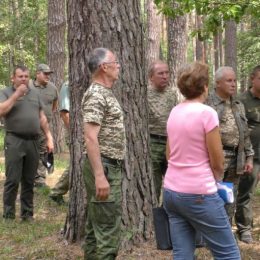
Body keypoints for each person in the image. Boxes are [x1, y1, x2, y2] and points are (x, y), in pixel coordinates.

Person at [163, 62, 240, 260]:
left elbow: (169, 154)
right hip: (199, 193)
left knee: (182, 254)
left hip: (172, 192)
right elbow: (218, 161)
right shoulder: (207, 114)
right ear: (205, 87)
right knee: (228, 253)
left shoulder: (174, 112)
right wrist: (216, 181)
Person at [81, 48, 126, 259]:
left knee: (95, 225)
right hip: (104, 167)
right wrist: (100, 175)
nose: (118, 66)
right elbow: (90, 137)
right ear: (104, 67)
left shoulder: (104, 92)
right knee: (107, 228)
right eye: (115, 62)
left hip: (108, 165)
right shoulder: (97, 94)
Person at [0, 65, 54, 221]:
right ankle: (8, 214)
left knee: (29, 179)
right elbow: (1, 111)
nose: (24, 79)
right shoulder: (5, 92)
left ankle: (27, 214)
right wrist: (16, 95)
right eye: (20, 76)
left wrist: (49, 136)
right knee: (12, 179)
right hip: (14, 140)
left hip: (33, 141)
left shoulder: (35, 94)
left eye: (26, 76)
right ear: (13, 78)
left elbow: (42, 117)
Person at [207, 66, 254, 223]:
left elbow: (245, 133)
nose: (233, 84)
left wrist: (249, 157)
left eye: (234, 80)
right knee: (211, 194)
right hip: (215, 157)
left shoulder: (238, 104)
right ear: (218, 83)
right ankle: (208, 231)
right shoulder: (208, 104)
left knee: (229, 195)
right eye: (229, 81)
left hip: (236, 157)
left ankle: (226, 229)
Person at [235, 65, 260, 243]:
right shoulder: (241, 100)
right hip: (253, 156)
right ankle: (244, 229)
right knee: (246, 193)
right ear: (252, 79)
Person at [147, 60, 177, 203]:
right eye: (160, 73)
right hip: (151, 144)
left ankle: (170, 216)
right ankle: (153, 218)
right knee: (154, 185)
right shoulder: (143, 94)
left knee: (174, 184)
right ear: (151, 77)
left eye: (167, 73)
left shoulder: (173, 95)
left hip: (171, 144)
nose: (165, 76)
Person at [29, 64, 58, 187]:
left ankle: (39, 180)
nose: (48, 76)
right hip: (27, 126)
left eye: (49, 74)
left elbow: (54, 105)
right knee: (28, 152)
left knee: (42, 152)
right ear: (37, 73)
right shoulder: (28, 86)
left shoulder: (52, 88)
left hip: (44, 127)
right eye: (45, 73)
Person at [49, 81, 70, 204]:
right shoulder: (68, 85)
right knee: (78, 162)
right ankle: (56, 192)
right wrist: (74, 132)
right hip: (75, 131)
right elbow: (64, 113)